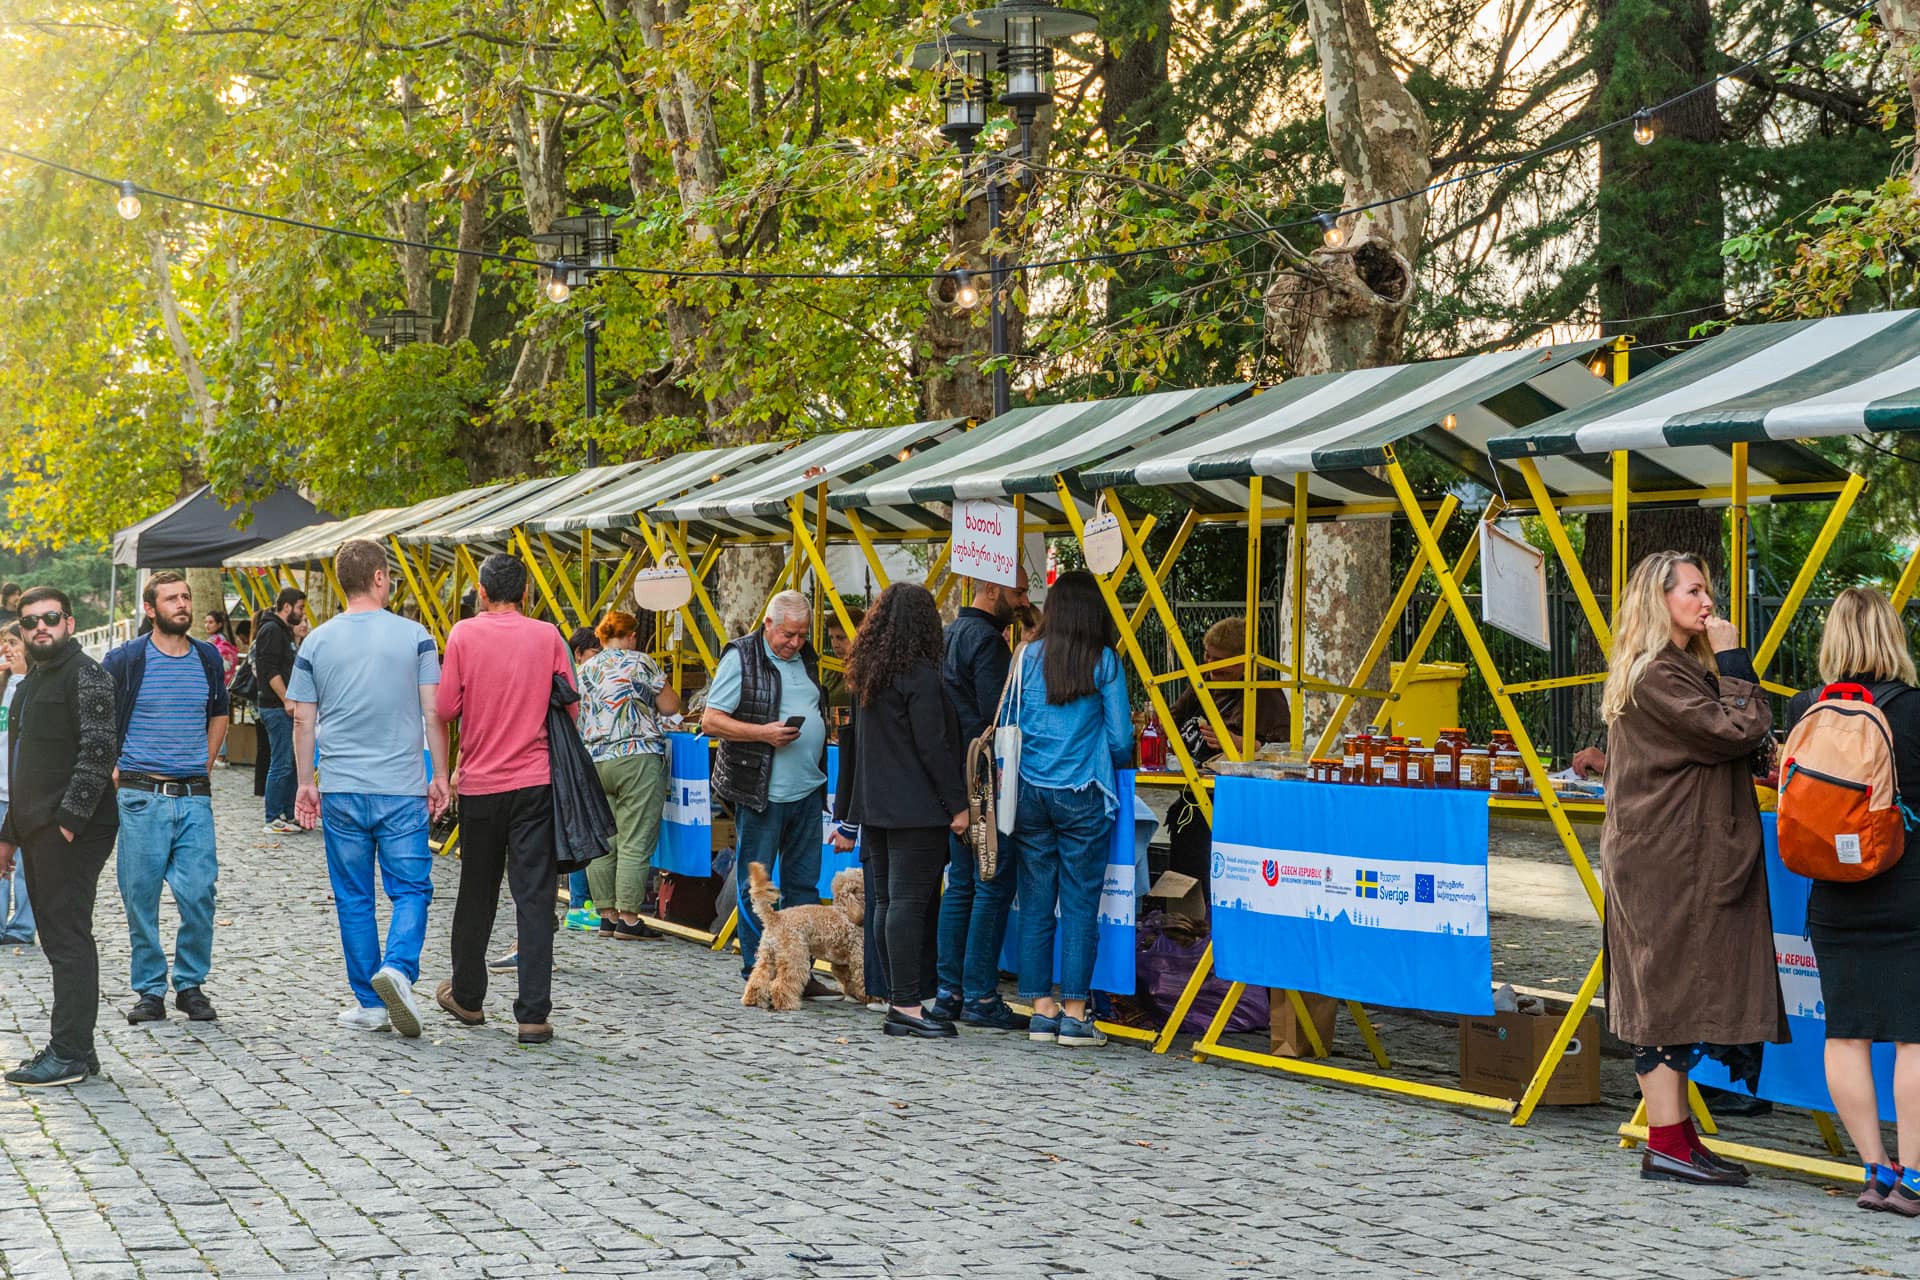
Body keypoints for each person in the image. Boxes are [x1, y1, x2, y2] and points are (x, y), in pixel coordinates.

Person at [1599, 550, 1786, 1187]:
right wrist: (1734, 661)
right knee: (1663, 998)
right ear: (1661, 600)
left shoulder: (1672, 668)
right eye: (1694, 592)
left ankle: (1677, 1141)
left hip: (1676, 855)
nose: (1708, 603)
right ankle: (1667, 1145)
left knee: (1674, 995)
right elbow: (1737, 730)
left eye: (1707, 592)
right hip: (1666, 860)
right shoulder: (1657, 673)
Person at [1783, 588, 1920, 1213]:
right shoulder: (1914, 709)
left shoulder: (1805, 708)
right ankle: (1914, 1177)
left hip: (1833, 896)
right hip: (1908, 889)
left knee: (1845, 1034)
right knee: (1914, 1037)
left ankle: (1875, 1171)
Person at [287, 539, 452, 1037]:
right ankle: (398, 968)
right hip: (401, 786)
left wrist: (306, 782)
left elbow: (302, 720)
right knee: (411, 888)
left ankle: (369, 1003)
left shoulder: (315, 643)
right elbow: (434, 712)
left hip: (341, 786)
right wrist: (440, 775)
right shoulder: (416, 637)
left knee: (353, 896)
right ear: (379, 577)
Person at [434, 553, 577, 1045]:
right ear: (526, 593)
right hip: (535, 782)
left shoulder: (463, 634)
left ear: (481, 590)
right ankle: (533, 1014)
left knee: (477, 891)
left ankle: (468, 996)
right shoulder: (548, 636)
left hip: (481, 784)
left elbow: (446, 707)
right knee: (535, 897)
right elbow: (571, 706)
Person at [835, 585, 969, 1039]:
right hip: (917, 809)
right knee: (908, 905)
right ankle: (908, 1005)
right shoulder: (922, 676)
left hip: (876, 807)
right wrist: (958, 805)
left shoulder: (867, 675)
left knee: (888, 903)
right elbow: (933, 747)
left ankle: (898, 999)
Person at [1007, 570, 1132, 1049]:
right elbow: (1121, 739)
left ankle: (1041, 1011)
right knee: (1080, 905)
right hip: (1083, 792)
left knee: (1036, 902)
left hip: (1029, 792)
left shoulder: (1025, 656)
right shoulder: (1105, 661)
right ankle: (1076, 1015)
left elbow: (1012, 721)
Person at [0, 588, 118, 1086]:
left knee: (67, 938)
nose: (40, 627)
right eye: (30, 621)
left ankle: (68, 1053)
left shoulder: (87, 675)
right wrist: (10, 834)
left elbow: (99, 751)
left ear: (68, 622)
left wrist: (67, 824)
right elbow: (23, 766)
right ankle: (77, 1048)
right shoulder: (31, 681)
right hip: (38, 827)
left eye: (50, 617)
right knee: (59, 936)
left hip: (72, 830)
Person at [102, 571, 230, 1025]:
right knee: (141, 898)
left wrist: (205, 763)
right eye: (171, 598)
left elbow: (220, 713)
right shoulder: (125, 659)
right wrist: (112, 768)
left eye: (186, 597)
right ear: (150, 609)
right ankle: (150, 990)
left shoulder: (207, 657)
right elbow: (99, 717)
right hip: (141, 795)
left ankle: (190, 985)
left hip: (193, 796)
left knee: (199, 894)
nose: (182, 604)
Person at [704, 590, 832, 994]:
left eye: (802, 634)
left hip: (807, 789)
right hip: (761, 791)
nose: (795, 642)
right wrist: (763, 733)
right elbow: (711, 721)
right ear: (768, 625)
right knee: (757, 887)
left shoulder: (806, 658)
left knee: (804, 887)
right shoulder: (741, 657)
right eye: (787, 634)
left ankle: (798, 974)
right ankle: (758, 971)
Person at [930, 570, 1032, 1030]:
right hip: (986, 778)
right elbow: (1001, 719)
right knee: (990, 883)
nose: (1024, 600)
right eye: (1018, 591)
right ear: (991, 589)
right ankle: (980, 995)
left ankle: (949, 991)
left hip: (957, 775)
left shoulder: (950, 633)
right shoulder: (989, 642)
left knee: (962, 884)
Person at [1164, 616, 1291, 900]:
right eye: (1206, 657)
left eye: (1218, 662)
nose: (1209, 667)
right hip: (1193, 800)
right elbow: (1170, 718)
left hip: (1237, 808)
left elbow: (1284, 754)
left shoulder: (1267, 695)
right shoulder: (1201, 685)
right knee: (1186, 873)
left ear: (1242, 663)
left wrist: (1243, 745)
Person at [578, 610, 678, 941]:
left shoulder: (584, 669)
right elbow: (670, 706)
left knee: (604, 840)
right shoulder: (640, 662)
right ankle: (630, 919)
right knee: (635, 838)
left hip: (595, 760)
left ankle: (606, 916)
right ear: (632, 636)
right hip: (636, 757)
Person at [253, 587, 308, 834]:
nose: (302, 613)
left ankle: (288, 812)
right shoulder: (272, 630)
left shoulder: (282, 631)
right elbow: (270, 670)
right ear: (287, 607)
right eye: (300, 608)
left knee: (291, 762)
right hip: (275, 707)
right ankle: (273, 816)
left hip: (282, 706)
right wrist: (286, 699)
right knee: (282, 762)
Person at [0, 625, 32, 945]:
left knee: (25, 867)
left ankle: (22, 927)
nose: (7, 649)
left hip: (24, 793)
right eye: (3, 644)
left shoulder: (34, 687)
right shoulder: (2, 686)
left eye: (13, 642)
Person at [819, 606, 865, 720]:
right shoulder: (830, 669)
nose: (835, 644)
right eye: (831, 637)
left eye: (840, 637)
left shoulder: (869, 672)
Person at [205, 609, 239, 679]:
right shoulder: (225, 639)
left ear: (219, 625)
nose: (207, 625)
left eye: (211, 622)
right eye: (205, 622)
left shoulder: (213, 641)